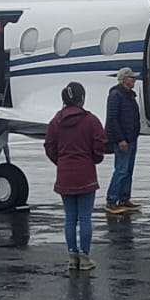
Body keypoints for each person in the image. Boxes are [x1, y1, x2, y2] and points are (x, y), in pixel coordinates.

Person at [43, 80, 107, 271]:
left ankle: (72, 257)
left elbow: (49, 146)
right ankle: (85, 257)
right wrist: (94, 159)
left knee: (70, 218)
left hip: (64, 174)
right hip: (86, 173)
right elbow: (100, 145)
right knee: (85, 217)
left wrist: (60, 161)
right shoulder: (90, 120)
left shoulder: (56, 121)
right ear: (82, 99)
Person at [104, 67, 142, 214]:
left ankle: (124, 198)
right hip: (124, 140)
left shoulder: (129, 96)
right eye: (131, 78)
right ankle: (111, 200)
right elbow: (112, 119)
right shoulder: (116, 95)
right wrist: (120, 139)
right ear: (124, 79)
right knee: (121, 170)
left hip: (131, 138)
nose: (134, 80)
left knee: (128, 170)